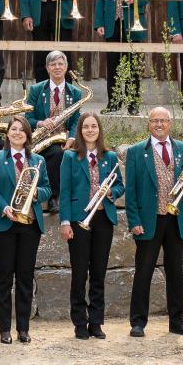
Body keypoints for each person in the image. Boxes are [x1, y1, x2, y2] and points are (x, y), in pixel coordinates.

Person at [123, 106, 183, 338]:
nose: (159, 124)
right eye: (154, 120)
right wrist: (133, 220)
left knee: (176, 273)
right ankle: (137, 322)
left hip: (175, 219)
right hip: (149, 219)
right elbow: (131, 189)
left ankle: (177, 321)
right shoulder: (136, 152)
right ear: (149, 124)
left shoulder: (182, 149)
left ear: (170, 123)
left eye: (163, 120)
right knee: (143, 272)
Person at [0, 116, 51, 344]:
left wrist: (35, 194)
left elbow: (47, 189)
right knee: (3, 277)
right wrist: (4, 207)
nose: (17, 133)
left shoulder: (39, 160)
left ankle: (23, 328)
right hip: (4, 224)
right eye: (13, 129)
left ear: (28, 135)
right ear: (7, 133)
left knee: (25, 277)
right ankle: (4, 329)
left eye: (22, 130)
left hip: (29, 224)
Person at [57, 111, 122, 341]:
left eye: (94, 126)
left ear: (99, 129)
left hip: (104, 219)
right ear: (80, 130)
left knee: (98, 273)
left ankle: (96, 322)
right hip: (78, 219)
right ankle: (79, 323)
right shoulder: (70, 157)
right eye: (86, 127)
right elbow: (64, 192)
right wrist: (65, 221)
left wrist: (111, 192)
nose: (90, 130)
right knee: (79, 273)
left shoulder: (110, 157)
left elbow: (120, 186)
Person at [25, 49, 87, 203]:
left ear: (66, 67)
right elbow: (28, 118)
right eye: (53, 64)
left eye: (61, 64)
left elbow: (75, 120)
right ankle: (53, 196)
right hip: (41, 137)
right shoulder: (36, 89)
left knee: (62, 153)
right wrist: (40, 122)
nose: (57, 67)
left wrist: (72, 137)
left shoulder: (75, 93)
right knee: (56, 154)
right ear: (47, 68)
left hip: (64, 137)